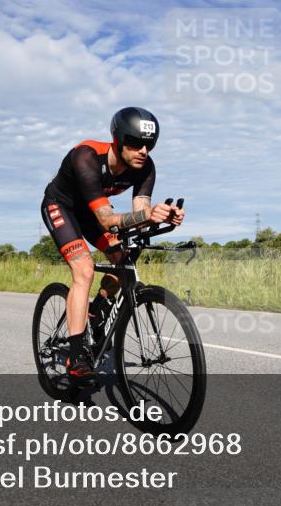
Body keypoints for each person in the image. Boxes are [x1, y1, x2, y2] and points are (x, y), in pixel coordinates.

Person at [41, 107, 184, 381]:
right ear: (118, 140)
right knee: (83, 270)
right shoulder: (86, 157)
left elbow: (140, 213)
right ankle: (76, 353)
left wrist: (162, 217)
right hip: (62, 207)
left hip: (93, 213)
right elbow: (107, 220)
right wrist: (147, 214)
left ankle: (98, 310)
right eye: (134, 143)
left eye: (149, 144)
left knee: (125, 260)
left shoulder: (145, 167)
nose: (143, 150)